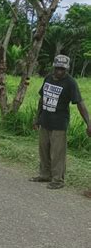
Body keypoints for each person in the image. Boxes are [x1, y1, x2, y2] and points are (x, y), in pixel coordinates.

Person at [30, 54, 91, 189]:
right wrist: (37, 118)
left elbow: (80, 103)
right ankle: (45, 175)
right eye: (57, 68)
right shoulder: (48, 78)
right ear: (54, 67)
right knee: (43, 150)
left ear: (67, 69)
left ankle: (58, 180)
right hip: (45, 121)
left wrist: (89, 123)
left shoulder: (70, 83)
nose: (59, 71)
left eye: (62, 69)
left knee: (57, 153)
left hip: (59, 124)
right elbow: (42, 99)